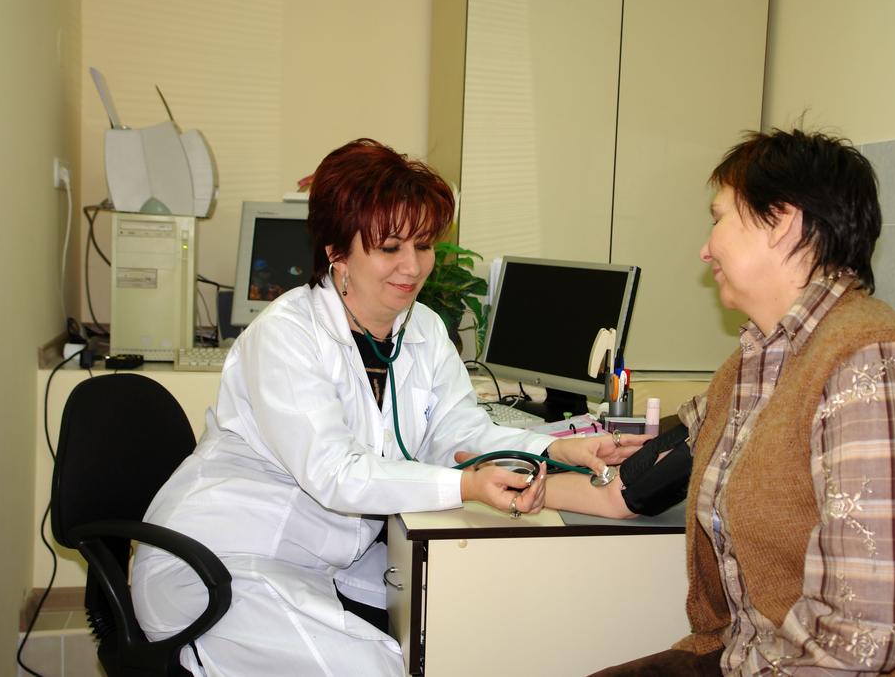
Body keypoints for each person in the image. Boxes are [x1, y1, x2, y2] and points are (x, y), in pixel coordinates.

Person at [131, 138, 646, 676]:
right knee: (376, 669)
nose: (412, 266)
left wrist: (556, 449)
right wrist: (466, 486)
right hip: (219, 561)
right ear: (337, 250)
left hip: (323, 558)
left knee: (463, 623)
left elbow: (459, 434)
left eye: (423, 245)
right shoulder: (286, 336)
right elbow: (336, 474)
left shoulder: (423, 329)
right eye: (390, 246)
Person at [585, 128, 895, 675]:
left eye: (719, 218)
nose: (705, 248)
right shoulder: (759, 359)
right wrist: (536, 474)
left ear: (781, 221)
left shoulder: (874, 367)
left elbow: (860, 638)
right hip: (751, 656)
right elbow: (659, 459)